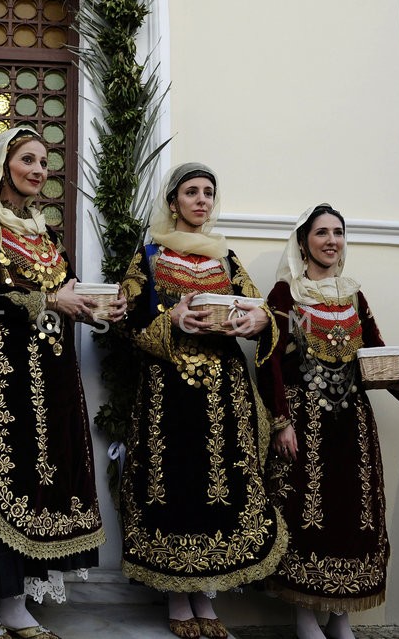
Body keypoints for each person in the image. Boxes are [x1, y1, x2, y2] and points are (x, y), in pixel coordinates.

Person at [0, 127, 126, 639]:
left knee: (35, 483)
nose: (38, 170)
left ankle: (15, 602)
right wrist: (47, 302)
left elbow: (68, 292)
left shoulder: (47, 234)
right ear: (4, 165)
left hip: (50, 375)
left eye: (44, 162)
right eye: (28, 160)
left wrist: (101, 306)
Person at [118, 162, 287, 639]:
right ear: (173, 202)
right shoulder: (150, 256)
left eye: (208, 193)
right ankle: (176, 595)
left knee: (219, 486)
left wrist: (257, 324)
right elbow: (126, 321)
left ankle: (206, 598)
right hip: (167, 392)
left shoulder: (226, 259)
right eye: (191, 192)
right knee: (174, 483)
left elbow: (262, 313)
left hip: (223, 396)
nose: (201, 200)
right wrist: (172, 320)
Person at [260, 204, 399, 639]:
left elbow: (375, 356)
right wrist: (280, 422)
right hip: (304, 425)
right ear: (303, 242)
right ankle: (303, 617)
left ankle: (340, 616)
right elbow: (270, 363)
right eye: (321, 233)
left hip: (352, 427)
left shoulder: (353, 296)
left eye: (338, 232)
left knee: (353, 518)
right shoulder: (285, 296)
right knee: (305, 514)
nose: (331, 240)